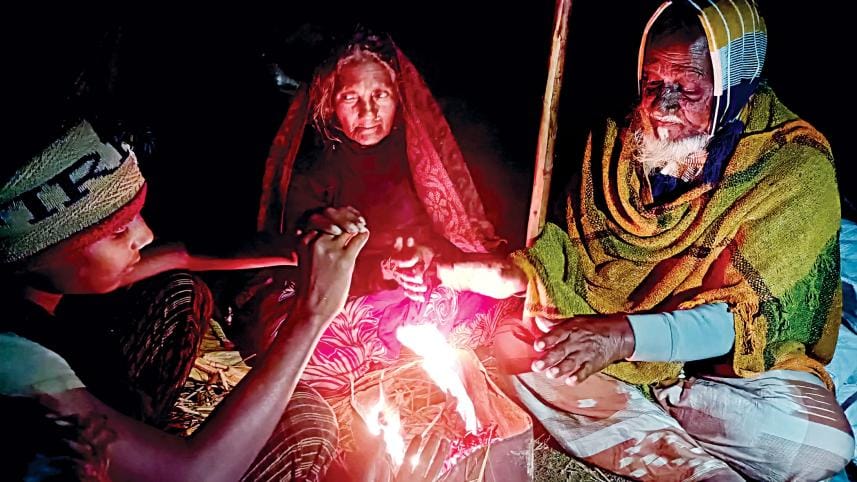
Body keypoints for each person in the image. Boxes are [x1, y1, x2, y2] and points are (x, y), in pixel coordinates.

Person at [437, 1, 855, 480]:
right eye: (653, 84)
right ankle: (692, 467)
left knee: (821, 447)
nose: (662, 106)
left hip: (724, 369)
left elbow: (746, 318)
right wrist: (519, 273)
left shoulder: (795, 168)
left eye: (688, 88)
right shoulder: (619, 140)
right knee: (519, 349)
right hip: (616, 343)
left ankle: (661, 404)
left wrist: (622, 337)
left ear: (734, 85)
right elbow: (575, 253)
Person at [0, 116, 368, 481]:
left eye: (136, 216)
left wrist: (299, 248)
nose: (145, 235)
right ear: (36, 252)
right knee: (306, 424)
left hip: (98, 394)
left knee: (179, 292)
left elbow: (182, 254)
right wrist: (313, 313)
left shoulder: (31, 284)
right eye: (117, 232)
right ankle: (148, 456)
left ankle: (142, 435)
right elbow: (195, 475)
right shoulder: (13, 361)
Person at [255, 31, 521, 396]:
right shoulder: (316, 163)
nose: (368, 112)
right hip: (351, 289)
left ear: (399, 96)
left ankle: (402, 334)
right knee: (306, 345)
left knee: (502, 292)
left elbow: (448, 227)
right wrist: (384, 269)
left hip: (423, 282)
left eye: (380, 95)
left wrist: (428, 258)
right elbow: (301, 257)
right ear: (331, 103)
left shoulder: (419, 150)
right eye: (351, 97)